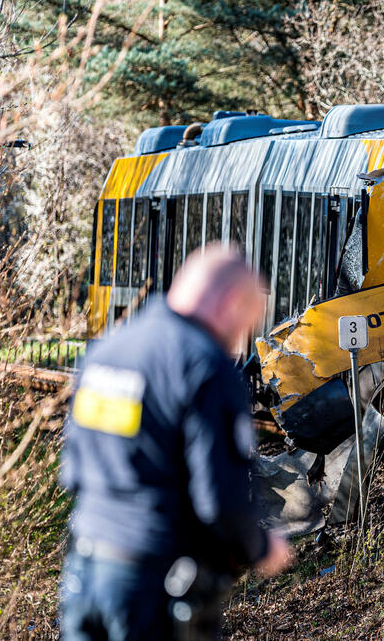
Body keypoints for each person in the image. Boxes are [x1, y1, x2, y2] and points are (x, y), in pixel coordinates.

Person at [59, 246, 294, 640]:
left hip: (84, 574)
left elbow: (73, 470)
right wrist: (260, 548)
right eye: (243, 325)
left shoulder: (109, 350)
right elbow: (220, 500)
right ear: (231, 303)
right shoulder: (203, 365)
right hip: (153, 587)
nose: (236, 344)